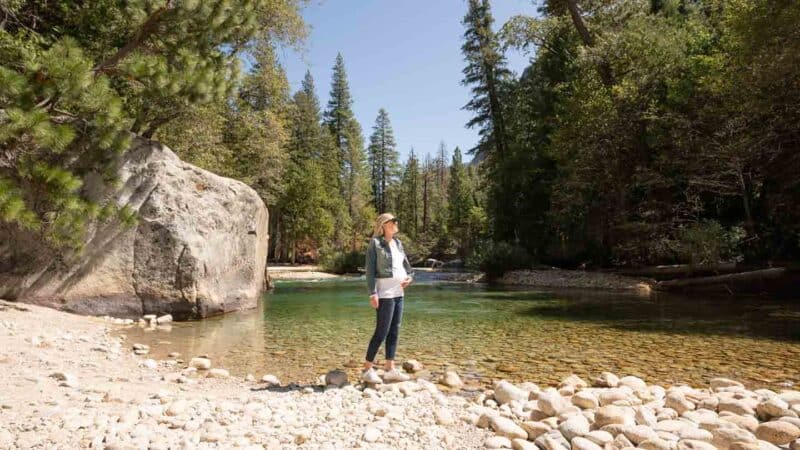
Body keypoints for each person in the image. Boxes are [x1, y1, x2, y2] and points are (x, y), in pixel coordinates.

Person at [361, 213, 414, 384]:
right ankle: (367, 369)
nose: (396, 224)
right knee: (382, 331)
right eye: (393, 221)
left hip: (399, 291)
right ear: (384, 225)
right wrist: (372, 293)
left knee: (395, 330)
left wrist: (410, 277)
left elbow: (407, 266)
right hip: (384, 293)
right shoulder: (375, 244)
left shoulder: (398, 243)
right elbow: (369, 271)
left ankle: (389, 368)